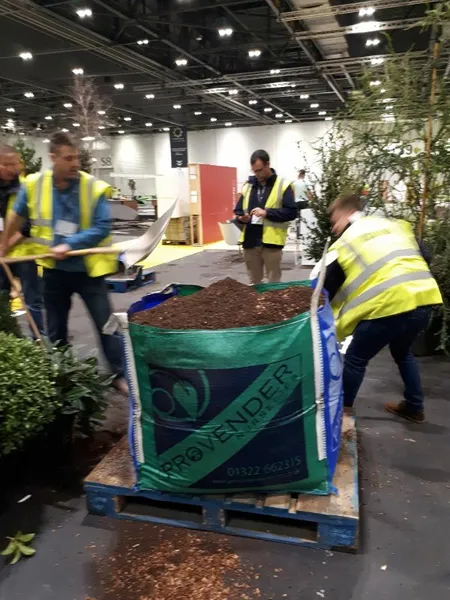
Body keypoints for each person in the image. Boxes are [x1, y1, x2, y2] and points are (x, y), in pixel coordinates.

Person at [1, 131, 128, 394]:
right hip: (54, 271)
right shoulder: (35, 185)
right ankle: (61, 374)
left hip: (88, 271)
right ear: (53, 157)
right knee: (56, 328)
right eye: (68, 158)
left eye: (76, 158)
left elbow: (102, 227)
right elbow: (17, 215)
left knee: (106, 324)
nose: (75, 163)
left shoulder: (92, 187)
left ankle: (120, 373)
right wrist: (4, 246)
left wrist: (69, 245)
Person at [321, 193, 442, 423]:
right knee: (403, 352)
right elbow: (425, 256)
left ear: (347, 214)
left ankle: (341, 417)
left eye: (335, 221)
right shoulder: (394, 226)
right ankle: (414, 406)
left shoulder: (348, 240)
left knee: (356, 358)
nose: (334, 229)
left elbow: (327, 286)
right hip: (423, 299)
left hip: (389, 306)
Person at [0, 144, 45, 336]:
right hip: (2, 256)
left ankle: (39, 339)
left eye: (16, 163)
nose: (14, 168)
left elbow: (27, 227)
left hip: (24, 255)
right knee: (2, 299)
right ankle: (7, 338)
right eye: (8, 164)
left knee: (33, 300)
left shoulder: (27, 187)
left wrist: (5, 247)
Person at [234, 149, 296, 284]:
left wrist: (267, 213)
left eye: (260, 170)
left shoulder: (283, 185)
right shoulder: (247, 186)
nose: (257, 174)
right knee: (254, 284)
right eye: (254, 171)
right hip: (250, 242)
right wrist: (242, 218)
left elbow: (291, 212)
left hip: (272, 244)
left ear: (268, 164)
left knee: (273, 285)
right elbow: (238, 210)